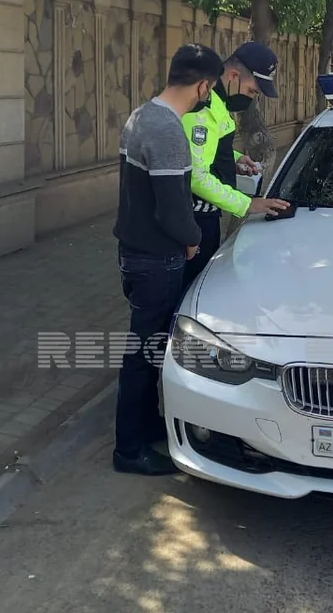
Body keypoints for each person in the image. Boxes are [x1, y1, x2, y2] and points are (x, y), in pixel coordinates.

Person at [112, 43, 225, 476]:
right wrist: (193, 239)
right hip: (158, 258)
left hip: (135, 252)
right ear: (202, 85)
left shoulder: (141, 116)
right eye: (208, 89)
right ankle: (129, 450)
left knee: (148, 349)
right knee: (143, 354)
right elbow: (171, 207)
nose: (206, 96)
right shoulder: (168, 130)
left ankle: (146, 426)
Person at [180, 41, 290, 290]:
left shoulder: (218, 103)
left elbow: (203, 149)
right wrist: (248, 204)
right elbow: (196, 176)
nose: (252, 98)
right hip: (194, 221)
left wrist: (234, 158)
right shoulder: (203, 109)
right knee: (189, 296)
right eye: (252, 91)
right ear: (233, 76)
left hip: (205, 217)